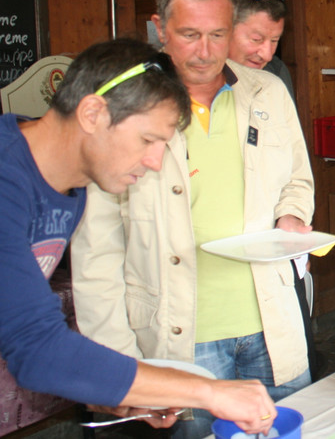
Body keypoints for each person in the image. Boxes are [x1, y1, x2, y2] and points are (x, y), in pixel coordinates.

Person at [71, 0, 315, 439]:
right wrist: (118, 364)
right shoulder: (121, 106)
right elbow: (96, 251)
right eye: (189, 35)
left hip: (273, 326)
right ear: (159, 29)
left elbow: (298, 179)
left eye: (217, 35)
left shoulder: (267, 91)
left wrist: (291, 213)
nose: (205, 51)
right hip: (182, 340)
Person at [0, 38, 277, 435]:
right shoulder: (8, 179)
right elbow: (37, 350)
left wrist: (121, 391)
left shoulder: (72, 186)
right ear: (92, 113)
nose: (155, 162)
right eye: (148, 140)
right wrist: (207, 391)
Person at [228, 0, 319, 380]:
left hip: (272, 274)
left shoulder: (274, 83)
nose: (265, 52)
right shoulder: (174, 92)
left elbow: (297, 173)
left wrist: (292, 214)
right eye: (256, 38)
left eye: (275, 41)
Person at [231, 0, 294, 101]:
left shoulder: (276, 72)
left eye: (274, 41)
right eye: (256, 39)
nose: (267, 56)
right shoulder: (197, 81)